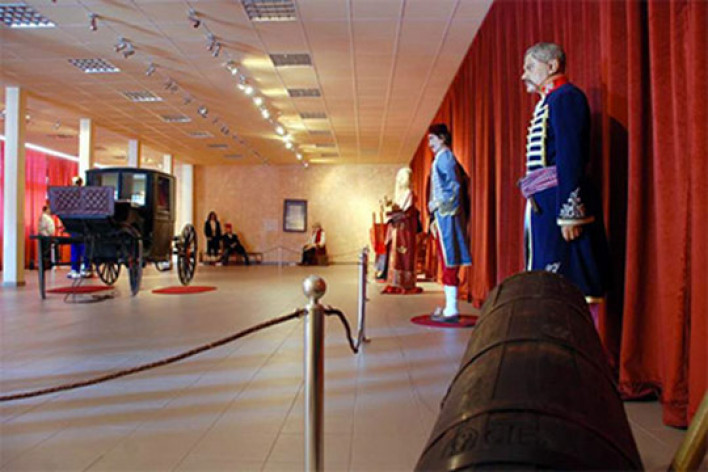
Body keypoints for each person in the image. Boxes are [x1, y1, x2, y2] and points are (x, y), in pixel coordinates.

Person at [519, 42, 609, 325]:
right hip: (545, 205)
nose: (524, 75)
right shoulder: (549, 101)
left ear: (552, 66)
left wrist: (570, 213)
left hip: (560, 206)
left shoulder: (566, 97)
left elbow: (570, 157)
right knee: (545, 277)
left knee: (569, 281)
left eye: (530, 67)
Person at [427, 123, 472, 322]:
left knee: (450, 259)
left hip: (447, 215)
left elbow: (454, 187)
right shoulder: (440, 158)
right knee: (446, 258)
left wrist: (438, 204)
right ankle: (449, 306)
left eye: (432, 139)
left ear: (442, 138)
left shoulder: (446, 158)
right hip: (442, 216)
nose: (430, 143)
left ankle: (452, 308)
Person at [382, 167, 421, 294]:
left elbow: (405, 211)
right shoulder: (401, 194)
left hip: (405, 228)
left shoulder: (408, 193)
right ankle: (396, 281)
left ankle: (404, 282)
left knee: (404, 253)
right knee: (396, 253)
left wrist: (393, 213)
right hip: (399, 227)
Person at [68, 176, 89, 279]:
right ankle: (75, 268)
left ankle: (85, 267)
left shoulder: (84, 195)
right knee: (76, 247)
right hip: (75, 225)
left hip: (83, 225)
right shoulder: (71, 197)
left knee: (83, 247)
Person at [38, 205, 55, 270]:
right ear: (45, 210)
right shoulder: (44, 217)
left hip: (48, 235)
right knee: (45, 251)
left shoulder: (47, 217)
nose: (50, 210)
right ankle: (44, 266)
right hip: (45, 235)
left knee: (47, 251)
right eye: (49, 209)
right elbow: (43, 226)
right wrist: (48, 232)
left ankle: (47, 265)